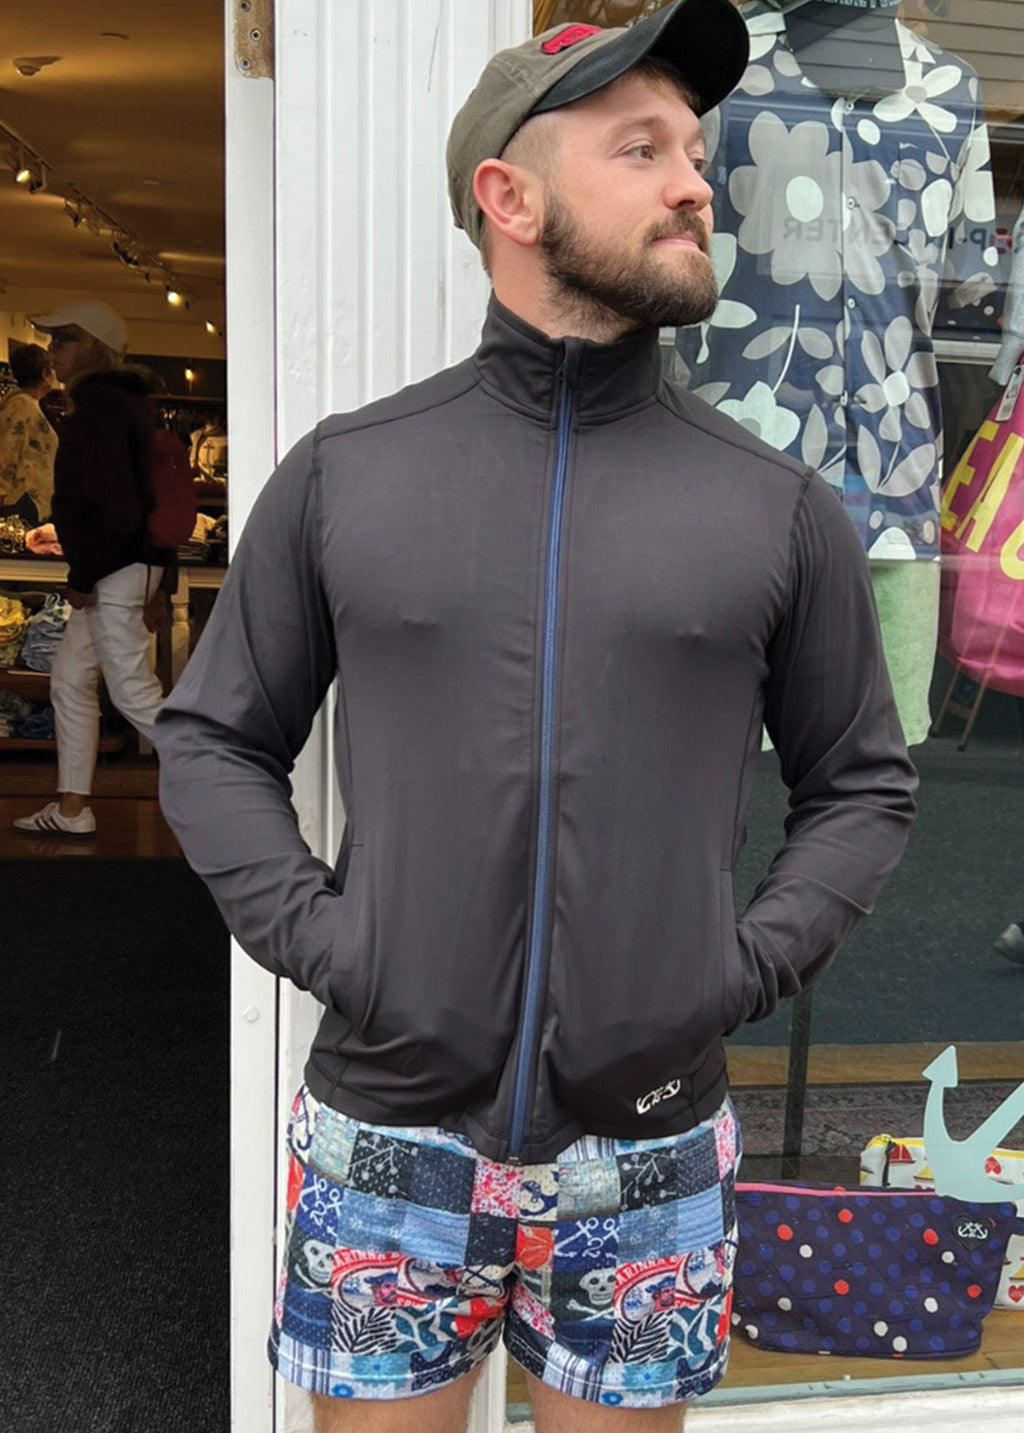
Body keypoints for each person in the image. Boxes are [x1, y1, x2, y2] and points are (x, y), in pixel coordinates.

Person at [156, 3, 918, 1429]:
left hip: (649, 1151)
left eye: (695, 152)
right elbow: (213, 738)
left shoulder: (773, 507)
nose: (694, 185)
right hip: (389, 1138)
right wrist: (335, 945)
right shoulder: (348, 475)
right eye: (642, 149)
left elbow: (862, 783)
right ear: (508, 197)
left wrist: (729, 971)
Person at [14, 300, 173, 838]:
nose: (53, 351)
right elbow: (145, 499)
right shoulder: (128, 404)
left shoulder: (99, 408)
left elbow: (113, 506)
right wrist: (162, 578)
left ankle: (232, 787)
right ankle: (72, 808)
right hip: (127, 564)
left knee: (132, 690)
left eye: (65, 340)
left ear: (95, 348)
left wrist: (83, 576)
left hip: (112, 569)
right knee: (70, 679)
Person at [0, 342, 57, 526]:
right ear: (44, 374)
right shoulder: (22, 406)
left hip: (29, 498)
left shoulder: (26, 404)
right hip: (23, 498)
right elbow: (7, 452)